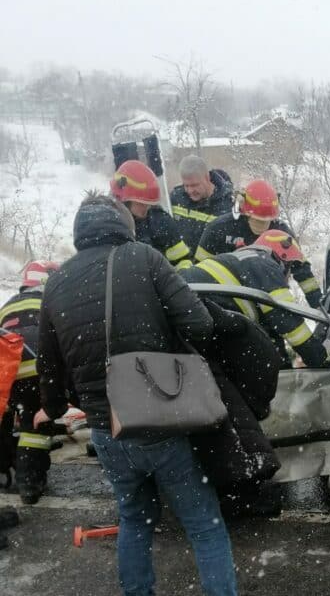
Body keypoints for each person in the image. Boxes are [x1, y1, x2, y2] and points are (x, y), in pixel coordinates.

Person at [33, 192, 237, 596]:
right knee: (203, 525)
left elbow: (50, 370)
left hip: (108, 432)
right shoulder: (144, 257)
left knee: (133, 519)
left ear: (80, 231)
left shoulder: (55, 283)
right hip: (161, 421)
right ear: (123, 224)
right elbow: (198, 323)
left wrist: (61, 406)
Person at [183, 230, 330, 369]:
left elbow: (271, 332)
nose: (288, 276)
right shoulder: (265, 264)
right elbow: (288, 323)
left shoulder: (240, 261)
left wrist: (285, 361)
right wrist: (321, 360)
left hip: (182, 312)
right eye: (290, 269)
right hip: (199, 318)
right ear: (282, 258)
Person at [195, 179, 322, 308]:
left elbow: (303, 273)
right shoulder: (219, 229)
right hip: (228, 302)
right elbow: (200, 269)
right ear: (243, 208)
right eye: (257, 220)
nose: (261, 226)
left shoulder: (282, 234)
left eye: (266, 221)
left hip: (269, 299)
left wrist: (319, 308)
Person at [0, 260, 62, 504]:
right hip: (37, 369)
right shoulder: (52, 300)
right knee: (34, 425)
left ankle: (5, 465)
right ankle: (29, 484)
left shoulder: (6, 306)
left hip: (8, 372)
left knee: (8, 418)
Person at [111, 160, 193, 269]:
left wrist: (182, 276)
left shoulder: (161, 222)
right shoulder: (109, 228)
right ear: (123, 201)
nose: (147, 208)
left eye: (149, 203)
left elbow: (182, 260)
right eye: (141, 203)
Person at [170, 155, 235, 255]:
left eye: (194, 185)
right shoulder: (175, 198)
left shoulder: (229, 205)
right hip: (181, 268)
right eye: (186, 185)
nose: (190, 191)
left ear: (207, 177)